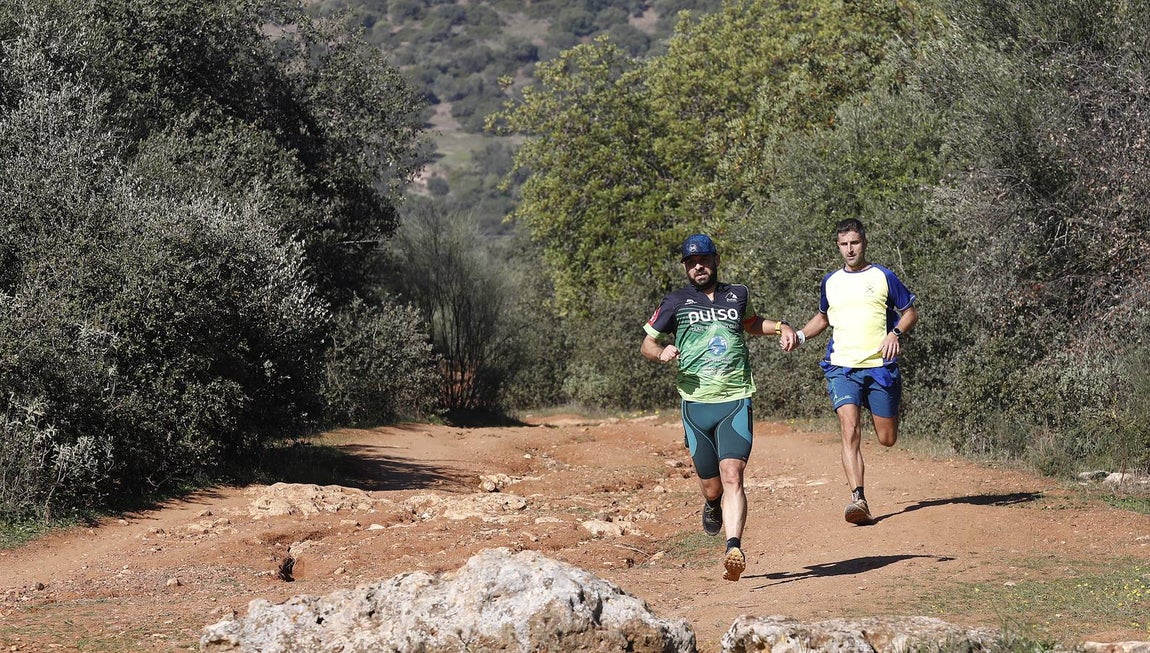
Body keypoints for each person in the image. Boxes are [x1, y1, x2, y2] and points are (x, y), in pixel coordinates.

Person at [642, 234, 796, 582]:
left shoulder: (737, 293)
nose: (698, 266)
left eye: (704, 260)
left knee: (733, 475)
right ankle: (712, 506)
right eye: (691, 262)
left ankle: (733, 547)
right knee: (713, 488)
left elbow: (750, 324)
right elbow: (647, 343)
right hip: (696, 405)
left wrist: (781, 327)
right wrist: (662, 351)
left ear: (716, 260)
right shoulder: (675, 302)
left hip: (735, 398)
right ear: (685, 266)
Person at [784, 218, 919, 525]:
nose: (849, 249)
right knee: (849, 428)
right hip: (841, 367)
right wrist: (801, 336)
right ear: (838, 246)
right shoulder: (830, 282)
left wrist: (895, 333)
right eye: (844, 244)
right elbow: (822, 318)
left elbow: (909, 312)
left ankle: (884, 412)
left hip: (880, 368)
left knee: (887, 439)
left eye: (854, 243)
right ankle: (858, 498)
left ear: (864, 243)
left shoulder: (883, 276)